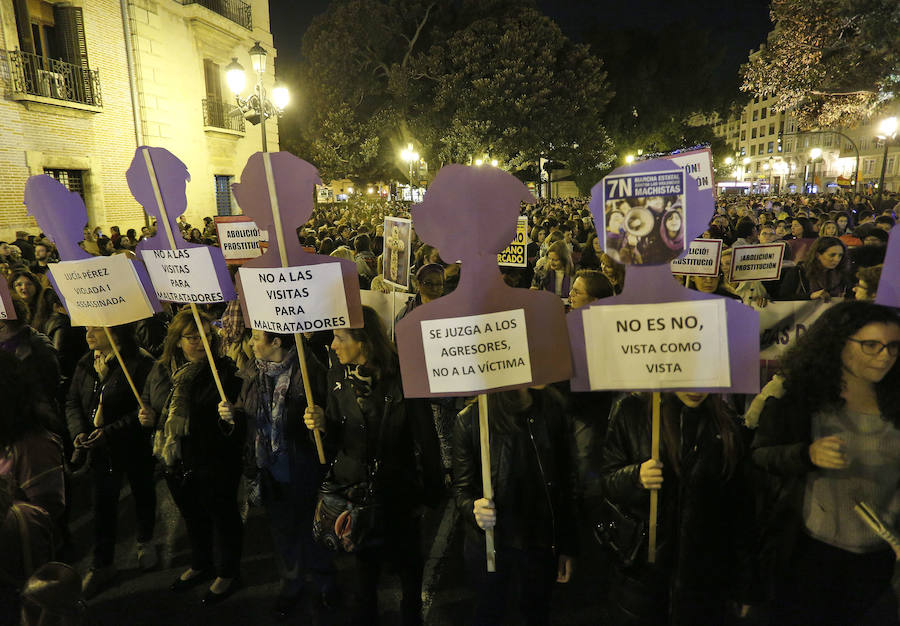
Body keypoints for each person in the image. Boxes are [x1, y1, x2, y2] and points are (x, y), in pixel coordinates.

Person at [752, 302, 900, 625]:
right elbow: (761, 455)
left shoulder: (895, 402)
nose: (884, 356)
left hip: (878, 565)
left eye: (892, 346)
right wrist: (807, 454)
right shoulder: (802, 398)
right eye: (870, 345)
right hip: (809, 556)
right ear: (838, 343)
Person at [303, 306, 443, 626]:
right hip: (356, 493)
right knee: (365, 566)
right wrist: (321, 426)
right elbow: (336, 441)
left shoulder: (404, 375)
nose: (333, 345)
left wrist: (431, 492)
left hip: (399, 491)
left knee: (408, 563)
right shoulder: (336, 375)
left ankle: (411, 615)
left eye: (340, 338)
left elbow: (426, 437)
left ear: (363, 341)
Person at [599, 392, 760, 625]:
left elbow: (740, 513)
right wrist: (635, 477)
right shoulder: (631, 410)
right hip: (642, 578)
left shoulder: (728, 425)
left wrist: (746, 584)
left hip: (703, 581)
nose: (695, 388)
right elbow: (607, 481)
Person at [222, 330, 333, 618]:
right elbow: (246, 417)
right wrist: (231, 415)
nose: (250, 343)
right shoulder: (251, 372)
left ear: (277, 342)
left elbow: (332, 419)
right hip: (269, 470)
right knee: (282, 531)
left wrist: (321, 422)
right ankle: (292, 584)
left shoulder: (309, 372)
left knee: (313, 529)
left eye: (257, 338)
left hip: (303, 468)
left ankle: (325, 584)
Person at [140, 309, 244, 605]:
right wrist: (147, 415)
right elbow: (152, 402)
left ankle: (228, 571)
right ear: (176, 340)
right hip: (175, 460)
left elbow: (236, 419)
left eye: (206, 336)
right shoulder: (161, 370)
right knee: (193, 516)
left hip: (213, 459)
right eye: (191, 337)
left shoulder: (223, 370)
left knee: (222, 515)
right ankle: (202, 563)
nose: (200, 343)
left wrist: (230, 415)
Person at [453, 387, 578, 625]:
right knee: (491, 614)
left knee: (535, 614)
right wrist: (474, 509)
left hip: (539, 544)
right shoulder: (471, 419)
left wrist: (567, 545)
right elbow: (462, 490)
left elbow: (566, 482)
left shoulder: (552, 409)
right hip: (491, 547)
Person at [65, 324, 156, 598]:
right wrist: (79, 431)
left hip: (133, 447)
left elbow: (145, 409)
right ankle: (102, 563)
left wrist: (109, 432)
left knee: (142, 492)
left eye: (96, 329)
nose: (88, 334)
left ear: (116, 334)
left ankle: (145, 541)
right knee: (103, 505)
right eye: (87, 329)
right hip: (100, 452)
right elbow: (72, 401)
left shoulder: (139, 363)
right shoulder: (85, 362)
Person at [777, 236, 851, 301]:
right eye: (832, 255)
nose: (837, 259)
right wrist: (810, 296)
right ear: (818, 255)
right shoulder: (798, 272)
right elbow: (783, 298)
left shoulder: (843, 273)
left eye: (840, 255)